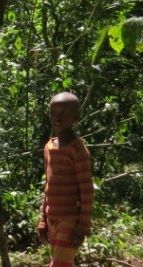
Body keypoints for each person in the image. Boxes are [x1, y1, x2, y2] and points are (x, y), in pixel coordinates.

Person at [37, 92, 94, 267]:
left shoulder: (77, 150)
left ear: (75, 118)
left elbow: (86, 190)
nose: (57, 118)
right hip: (52, 217)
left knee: (60, 263)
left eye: (64, 114)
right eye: (53, 113)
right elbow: (48, 185)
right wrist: (42, 219)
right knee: (61, 262)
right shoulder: (49, 147)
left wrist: (83, 226)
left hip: (70, 219)